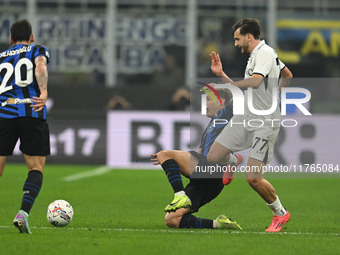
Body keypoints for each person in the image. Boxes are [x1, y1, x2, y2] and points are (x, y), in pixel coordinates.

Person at [207, 18, 293, 232]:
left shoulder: (264, 53)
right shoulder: (259, 55)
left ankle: (280, 213)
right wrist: (222, 75)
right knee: (214, 156)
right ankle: (233, 159)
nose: (236, 44)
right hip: (246, 117)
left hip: (264, 122)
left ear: (249, 36)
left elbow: (254, 82)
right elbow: (287, 74)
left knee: (253, 178)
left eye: (237, 39)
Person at [151, 88, 242, 230]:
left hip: (210, 170)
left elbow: (237, 96)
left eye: (208, 99)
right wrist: (174, 162)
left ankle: (180, 196)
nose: (204, 103)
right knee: (172, 220)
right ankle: (220, 224)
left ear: (221, 102)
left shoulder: (225, 116)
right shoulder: (212, 125)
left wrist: (221, 79)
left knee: (164, 154)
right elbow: (200, 152)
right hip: (209, 183)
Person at [0, 19, 50, 234]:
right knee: (35, 168)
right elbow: (40, 66)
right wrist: (44, 91)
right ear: (31, 37)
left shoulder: (1, 56)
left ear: (11, 40)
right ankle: (23, 214)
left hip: (3, 114)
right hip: (31, 111)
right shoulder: (37, 49)